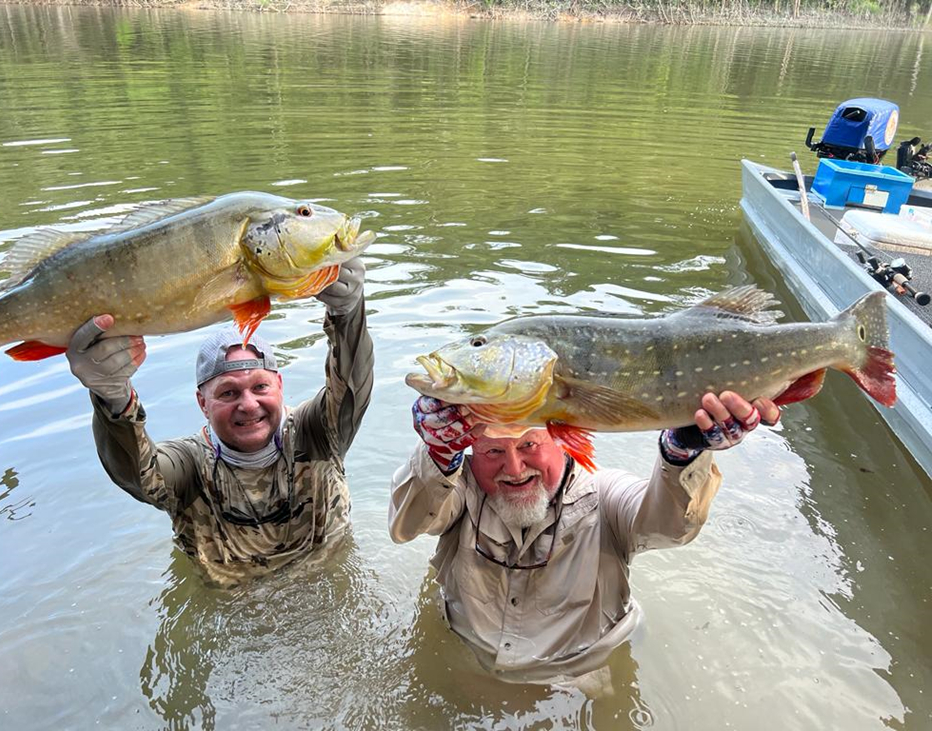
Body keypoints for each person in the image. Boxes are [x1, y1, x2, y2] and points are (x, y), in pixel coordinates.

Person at [389, 390, 781, 689]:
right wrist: (438, 452)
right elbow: (405, 524)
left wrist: (683, 451)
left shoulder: (604, 496)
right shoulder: (459, 490)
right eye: (493, 451)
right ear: (472, 456)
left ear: (562, 442)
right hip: (464, 662)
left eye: (529, 445)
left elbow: (668, 525)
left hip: (580, 681)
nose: (514, 468)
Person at [67, 258, 373, 585]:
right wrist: (113, 397)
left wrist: (347, 314)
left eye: (260, 387)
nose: (248, 404)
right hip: (233, 602)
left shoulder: (318, 433)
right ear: (203, 403)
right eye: (228, 393)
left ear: (280, 386)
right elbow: (138, 475)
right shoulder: (190, 467)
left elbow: (350, 388)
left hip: (327, 580)